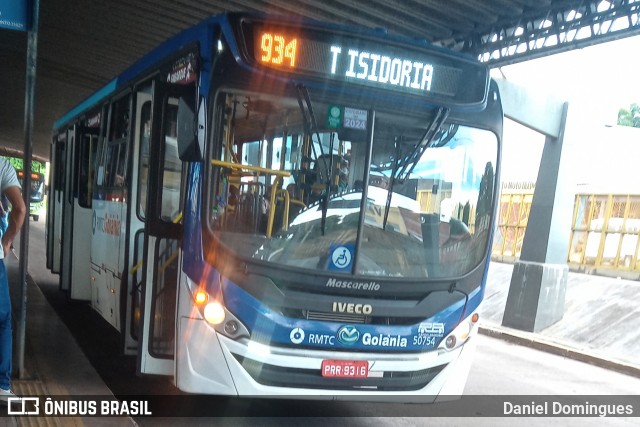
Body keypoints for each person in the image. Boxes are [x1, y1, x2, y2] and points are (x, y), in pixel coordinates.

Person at [0, 158, 26, 401]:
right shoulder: (2, 166)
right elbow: (19, 209)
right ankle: (2, 386)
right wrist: (6, 241)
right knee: (3, 320)